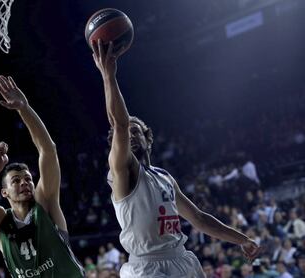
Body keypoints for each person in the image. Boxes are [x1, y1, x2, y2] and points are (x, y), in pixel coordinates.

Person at [91, 39, 261, 277]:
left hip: (181, 259)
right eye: (125, 134)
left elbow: (199, 219)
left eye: (136, 131)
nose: (129, 135)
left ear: (148, 139)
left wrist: (242, 239)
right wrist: (108, 76)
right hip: (146, 266)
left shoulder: (164, 177)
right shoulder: (123, 171)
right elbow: (119, 124)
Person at [0, 75, 84, 278]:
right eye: (16, 180)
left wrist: (24, 109)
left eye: (27, 178)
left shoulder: (45, 203)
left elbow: (48, 150)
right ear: (4, 192)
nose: (25, 182)